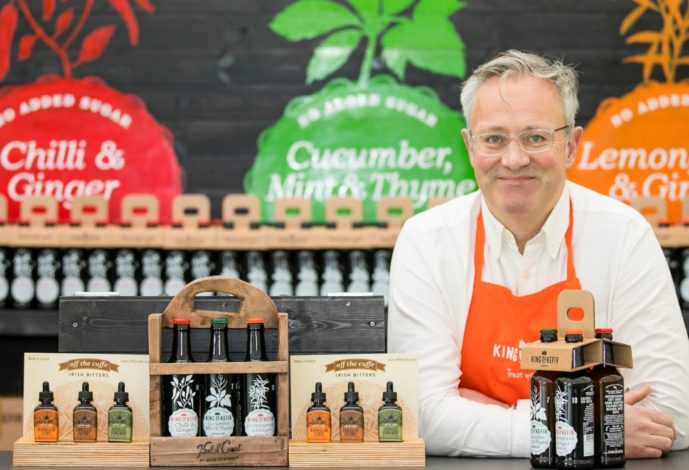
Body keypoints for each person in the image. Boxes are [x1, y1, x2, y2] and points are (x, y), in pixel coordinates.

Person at [387, 50, 689, 458]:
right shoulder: (427, 241)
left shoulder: (623, 235)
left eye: (535, 137)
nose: (514, 159)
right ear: (470, 146)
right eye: (494, 138)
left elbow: (672, 416)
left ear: (571, 146)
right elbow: (420, 415)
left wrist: (481, 413)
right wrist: (586, 427)